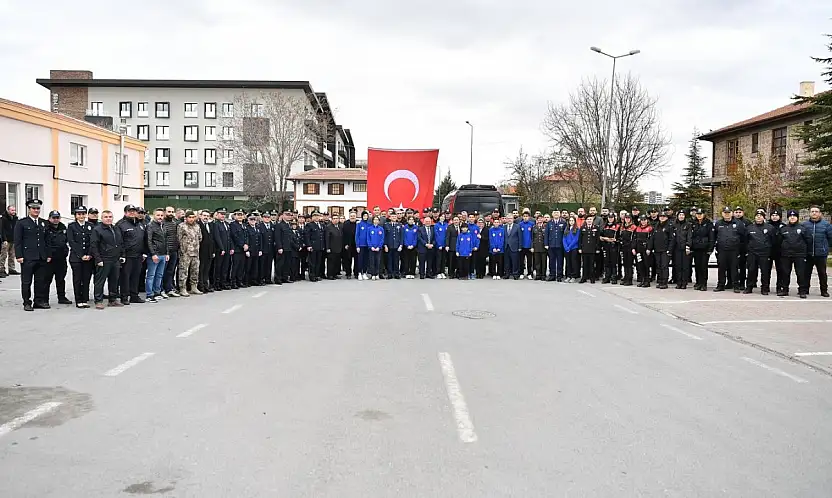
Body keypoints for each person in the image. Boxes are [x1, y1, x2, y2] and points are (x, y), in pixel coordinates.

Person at [14, 199, 50, 311]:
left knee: (40, 281)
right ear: (29, 209)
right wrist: (19, 255)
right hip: (28, 257)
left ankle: (38, 301)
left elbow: (47, 240)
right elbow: (18, 240)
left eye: (38, 208)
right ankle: (26, 302)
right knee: (26, 281)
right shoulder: (22, 223)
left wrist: (48, 255)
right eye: (33, 208)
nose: (36, 210)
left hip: (41, 257)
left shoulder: (44, 223)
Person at [90, 210, 125, 309]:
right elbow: (94, 245)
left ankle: (113, 300)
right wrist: (98, 259)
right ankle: (98, 301)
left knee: (114, 280)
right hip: (104, 259)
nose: (108, 218)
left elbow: (121, 243)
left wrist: (122, 255)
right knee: (100, 281)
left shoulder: (116, 228)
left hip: (115, 259)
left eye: (110, 216)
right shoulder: (97, 230)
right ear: (102, 218)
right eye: (106, 217)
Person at [116, 205, 145, 304]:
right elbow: (119, 242)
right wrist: (122, 255)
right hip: (127, 256)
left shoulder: (140, 224)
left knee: (136, 277)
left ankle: (134, 296)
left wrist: (144, 253)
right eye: (130, 211)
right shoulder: (121, 224)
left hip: (138, 255)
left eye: (134, 211)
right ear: (125, 213)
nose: (132, 213)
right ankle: (124, 297)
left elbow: (143, 239)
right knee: (125, 277)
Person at [713, 206, 746, 293]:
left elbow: (743, 237)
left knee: (734, 268)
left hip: (734, 250)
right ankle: (720, 285)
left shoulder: (738, 223)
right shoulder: (718, 223)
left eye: (728, 213)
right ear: (722, 214)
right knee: (721, 269)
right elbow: (714, 236)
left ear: (731, 213)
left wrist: (741, 250)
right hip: (722, 250)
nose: (727, 214)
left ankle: (736, 286)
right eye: (725, 213)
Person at [778, 209, 809, 298]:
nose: (792, 217)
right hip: (786, 255)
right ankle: (785, 290)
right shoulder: (783, 229)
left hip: (799, 255)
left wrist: (806, 254)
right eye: (790, 216)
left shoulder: (802, 228)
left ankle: (802, 291)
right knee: (785, 273)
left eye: (794, 216)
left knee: (800, 273)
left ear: (797, 218)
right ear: (788, 218)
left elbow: (808, 241)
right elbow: (779, 242)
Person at [802, 205, 831, 297]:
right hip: (808, 253)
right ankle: (805, 289)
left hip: (821, 254)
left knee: (822, 273)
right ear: (810, 213)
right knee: (806, 273)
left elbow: (830, 238)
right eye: (812, 211)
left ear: (820, 213)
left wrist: (825, 248)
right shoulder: (804, 225)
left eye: (816, 211)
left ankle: (824, 290)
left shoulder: (826, 225)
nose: (814, 213)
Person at [67, 206, 94, 308]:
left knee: (86, 278)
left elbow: (93, 241)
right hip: (76, 257)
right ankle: (78, 299)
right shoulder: (71, 226)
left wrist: (89, 254)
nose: (81, 216)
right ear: (76, 216)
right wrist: (81, 255)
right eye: (79, 214)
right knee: (77, 278)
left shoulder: (90, 225)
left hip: (88, 257)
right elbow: (72, 242)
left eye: (83, 214)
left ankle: (85, 299)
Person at [44, 210, 72, 305]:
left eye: (57, 218)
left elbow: (67, 241)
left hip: (61, 258)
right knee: (47, 280)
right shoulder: (45, 228)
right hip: (50, 259)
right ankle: (44, 299)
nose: (56, 220)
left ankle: (62, 297)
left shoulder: (63, 228)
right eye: (54, 218)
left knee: (61, 279)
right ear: (49, 218)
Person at [744, 209, 774, 295]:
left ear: (764, 217)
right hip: (752, 253)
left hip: (764, 253)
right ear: (754, 217)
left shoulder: (769, 228)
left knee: (765, 272)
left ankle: (764, 288)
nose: (758, 217)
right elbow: (746, 240)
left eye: (760, 216)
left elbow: (773, 241)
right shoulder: (749, 228)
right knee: (751, 270)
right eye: (757, 216)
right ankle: (749, 287)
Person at [177, 210, 203, 296]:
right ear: (186, 218)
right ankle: (182, 288)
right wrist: (183, 249)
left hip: (196, 252)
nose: (191, 219)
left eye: (193, 217)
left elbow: (200, 238)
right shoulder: (181, 226)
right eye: (190, 217)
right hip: (185, 253)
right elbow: (179, 239)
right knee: (184, 271)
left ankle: (194, 287)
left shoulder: (197, 226)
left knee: (195, 271)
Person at [144, 208, 168, 303]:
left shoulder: (163, 225)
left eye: (161, 215)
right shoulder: (150, 226)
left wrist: (167, 253)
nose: (160, 217)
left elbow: (165, 240)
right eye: (158, 215)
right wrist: (153, 254)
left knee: (159, 275)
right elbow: (148, 241)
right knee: (151, 275)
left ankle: (157, 292)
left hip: (163, 254)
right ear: (153, 215)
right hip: (155, 255)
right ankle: (149, 295)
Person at [690, 208, 714, 291]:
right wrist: (691, 247)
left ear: (704, 214)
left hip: (705, 248)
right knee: (697, 266)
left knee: (703, 266)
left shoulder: (708, 223)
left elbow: (711, 237)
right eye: (698, 214)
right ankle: (698, 282)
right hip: (696, 248)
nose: (699, 215)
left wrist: (710, 248)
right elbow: (691, 236)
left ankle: (704, 283)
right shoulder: (693, 223)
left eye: (701, 214)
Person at [649, 210, 673, 289]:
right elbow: (652, 238)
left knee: (664, 266)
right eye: (661, 216)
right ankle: (660, 281)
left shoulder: (669, 226)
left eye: (664, 216)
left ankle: (664, 282)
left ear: (666, 217)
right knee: (658, 266)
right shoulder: (656, 225)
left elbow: (671, 239)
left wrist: (669, 249)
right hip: (657, 249)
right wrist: (650, 248)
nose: (662, 218)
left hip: (665, 250)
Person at [161, 206, 181, 296]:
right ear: (165, 212)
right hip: (165, 251)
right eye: (169, 211)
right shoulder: (162, 223)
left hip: (174, 251)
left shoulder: (175, 223)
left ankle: (169, 289)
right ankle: (161, 290)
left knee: (170, 271)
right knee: (162, 272)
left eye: (172, 212)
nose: (171, 213)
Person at [670, 211, 692, 289]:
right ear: (677, 216)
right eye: (680, 215)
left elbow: (689, 236)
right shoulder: (674, 225)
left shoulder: (688, 225)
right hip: (677, 249)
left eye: (683, 215)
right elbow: (672, 238)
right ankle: (679, 282)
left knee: (685, 267)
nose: (681, 216)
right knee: (678, 266)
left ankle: (684, 283)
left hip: (685, 249)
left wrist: (688, 245)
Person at [212, 208, 232, 290]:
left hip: (227, 249)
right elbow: (217, 237)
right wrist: (222, 248)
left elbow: (229, 237)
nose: (223, 215)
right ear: (217, 214)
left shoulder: (226, 224)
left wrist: (231, 248)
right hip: (220, 249)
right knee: (218, 267)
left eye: (224, 214)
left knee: (225, 267)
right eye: (221, 214)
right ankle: (217, 284)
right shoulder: (216, 224)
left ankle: (223, 283)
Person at [733, 206, 752, 290]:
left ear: (743, 213)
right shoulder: (731, 221)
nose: (738, 214)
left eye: (739, 212)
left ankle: (742, 283)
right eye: (736, 212)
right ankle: (731, 282)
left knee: (742, 267)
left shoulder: (747, 222)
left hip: (743, 248)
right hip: (733, 247)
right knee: (732, 266)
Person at [230, 209, 249, 288]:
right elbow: (235, 236)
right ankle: (233, 282)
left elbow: (246, 236)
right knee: (235, 266)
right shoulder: (233, 225)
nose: (240, 216)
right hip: (237, 249)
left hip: (243, 249)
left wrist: (246, 244)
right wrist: (242, 245)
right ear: (234, 216)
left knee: (241, 266)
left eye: (241, 215)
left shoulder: (244, 225)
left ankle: (239, 281)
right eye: (238, 215)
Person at [545, 210, 566, 282]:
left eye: (557, 213)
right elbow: (546, 234)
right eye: (554, 213)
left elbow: (565, 234)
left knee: (560, 261)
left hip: (560, 245)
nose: (556, 214)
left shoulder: (563, 222)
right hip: (551, 245)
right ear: (552, 214)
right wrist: (546, 244)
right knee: (551, 261)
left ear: (560, 214)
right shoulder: (549, 223)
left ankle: (559, 275)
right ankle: (552, 275)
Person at [767, 209, 785, 295]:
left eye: (776, 215)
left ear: (780, 217)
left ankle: (779, 288)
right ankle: (766, 287)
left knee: (780, 271)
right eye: (773, 215)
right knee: (766, 270)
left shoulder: (783, 226)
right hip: (768, 251)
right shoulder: (767, 225)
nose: (774, 217)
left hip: (780, 252)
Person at [578, 215, 600, 284]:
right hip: (584, 249)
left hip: (592, 249)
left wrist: (597, 248)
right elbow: (580, 239)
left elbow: (597, 239)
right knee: (584, 264)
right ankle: (584, 277)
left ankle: (592, 278)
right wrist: (580, 248)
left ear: (592, 220)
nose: (589, 220)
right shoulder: (582, 228)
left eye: (590, 219)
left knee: (592, 264)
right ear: (586, 220)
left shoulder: (596, 228)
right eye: (588, 219)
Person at [198, 210, 216, 291]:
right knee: (201, 269)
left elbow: (212, 239)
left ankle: (206, 285)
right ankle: (201, 286)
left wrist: (213, 251)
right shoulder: (198, 225)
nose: (206, 217)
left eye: (207, 216)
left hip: (209, 251)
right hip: (201, 251)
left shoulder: (210, 225)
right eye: (204, 215)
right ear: (200, 216)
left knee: (206, 269)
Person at [600, 213, 620, 284]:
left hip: (613, 246)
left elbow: (618, 238)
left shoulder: (617, 226)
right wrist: (605, 238)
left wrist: (613, 240)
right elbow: (600, 236)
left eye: (612, 217)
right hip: (606, 246)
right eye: (609, 217)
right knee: (606, 262)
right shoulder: (605, 226)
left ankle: (614, 277)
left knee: (613, 262)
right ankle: (607, 277)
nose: (610, 218)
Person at [633, 215, 653, 287]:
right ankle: (642, 280)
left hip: (646, 250)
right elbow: (634, 239)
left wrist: (649, 248)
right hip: (639, 250)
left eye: (645, 220)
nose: (643, 221)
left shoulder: (650, 229)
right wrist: (633, 248)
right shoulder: (637, 228)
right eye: (642, 220)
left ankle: (647, 281)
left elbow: (651, 240)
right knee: (640, 265)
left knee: (646, 265)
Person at [383, 212, 403, 280]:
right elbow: (385, 236)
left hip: (397, 245)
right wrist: (385, 245)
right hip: (389, 246)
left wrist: (401, 245)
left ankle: (396, 273)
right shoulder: (386, 225)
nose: (394, 218)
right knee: (389, 260)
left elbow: (401, 236)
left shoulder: (400, 225)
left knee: (396, 260)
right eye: (392, 216)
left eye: (395, 216)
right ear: (390, 217)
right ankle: (390, 274)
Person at [245, 212, 263, 286]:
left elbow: (260, 240)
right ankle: (247, 281)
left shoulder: (257, 228)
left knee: (255, 266)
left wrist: (260, 250)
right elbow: (246, 239)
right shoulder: (246, 228)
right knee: (248, 266)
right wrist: (247, 250)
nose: (253, 221)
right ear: (248, 220)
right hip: (250, 250)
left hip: (256, 250)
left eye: (254, 219)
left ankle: (253, 280)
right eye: (251, 219)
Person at [0, 204, 18, 277]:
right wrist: (4, 239)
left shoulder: (15, 218)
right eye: (12, 210)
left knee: (12, 255)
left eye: (14, 210)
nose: (13, 211)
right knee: (3, 255)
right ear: (8, 210)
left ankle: (11, 268)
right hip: (5, 239)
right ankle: (1, 270)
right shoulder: (3, 218)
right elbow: (1, 229)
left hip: (13, 239)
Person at [618, 213, 635, 286]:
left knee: (629, 263)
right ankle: (625, 277)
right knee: (625, 263)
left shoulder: (633, 227)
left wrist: (633, 247)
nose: (627, 219)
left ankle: (629, 279)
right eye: (626, 218)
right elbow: (620, 236)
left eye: (628, 218)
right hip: (624, 247)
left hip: (630, 247)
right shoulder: (622, 227)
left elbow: (634, 238)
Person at [325, 214, 343, 280]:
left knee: (337, 262)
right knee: (331, 262)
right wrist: (328, 248)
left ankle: (335, 274)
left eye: (337, 218)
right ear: (331, 219)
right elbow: (327, 238)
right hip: (331, 248)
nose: (335, 220)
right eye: (334, 218)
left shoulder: (340, 227)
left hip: (339, 248)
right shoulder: (329, 227)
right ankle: (330, 275)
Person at [366, 216, 385, 280]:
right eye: (375, 219)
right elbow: (368, 238)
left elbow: (382, 239)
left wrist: (379, 247)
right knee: (372, 261)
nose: (376, 221)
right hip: (371, 248)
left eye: (377, 220)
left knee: (378, 261)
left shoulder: (381, 229)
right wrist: (371, 246)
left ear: (379, 221)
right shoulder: (369, 228)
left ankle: (377, 274)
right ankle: (373, 274)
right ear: (373, 221)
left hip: (378, 248)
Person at [563, 217, 580, 283]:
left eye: (572, 220)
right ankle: (568, 276)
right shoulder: (566, 229)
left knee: (573, 262)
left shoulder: (577, 229)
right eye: (570, 220)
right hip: (567, 249)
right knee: (568, 262)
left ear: (575, 221)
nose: (571, 222)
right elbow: (564, 238)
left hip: (573, 248)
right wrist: (566, 247)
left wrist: (569, 247)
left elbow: (576, 239)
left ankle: (573, 276)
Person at [504, 215, 521, 280]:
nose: (509, 220)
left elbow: (520, 237)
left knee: (515, 261)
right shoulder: (504, 227)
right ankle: (507, 274)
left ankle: (515, 274)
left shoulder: (517, 226)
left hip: (514, 247)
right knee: (507, 262)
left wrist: (520, 246)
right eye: (508, 218)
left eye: (510, 218)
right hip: (506, 246)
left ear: (513, 219)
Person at [341, 210, 358, 279]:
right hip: (348, 244)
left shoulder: (358, 223)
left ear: (356, 216)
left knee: (357, 260)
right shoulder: (345, 223)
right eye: (351, 216)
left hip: (356, 244)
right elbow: (343, 235)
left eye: (354, 216)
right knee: (348, 260)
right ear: (349, 216)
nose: (352, 217)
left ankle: (356, 273)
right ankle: (348, 273)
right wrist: (345, 244)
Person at [518, 212, 534, 278]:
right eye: (524, 216)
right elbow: (518, 236)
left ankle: (529, 273)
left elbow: (533, 236)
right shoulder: (520, 224)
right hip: (522, 246)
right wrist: (519, 246)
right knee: (521, 261)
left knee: (529, 261)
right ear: (522, 217)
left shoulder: (532, 224)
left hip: (529, 246)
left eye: (526, 216)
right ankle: (521, 273)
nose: (525, 217)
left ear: (529, 217)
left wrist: (532, 246)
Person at [355, 211, 370, 280]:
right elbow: (357, 235)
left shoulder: (369, 224)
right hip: (361, 245)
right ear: (362, 216)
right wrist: (357, 245)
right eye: (364, 216)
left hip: (368, 245)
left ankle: (364, 272)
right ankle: (359, 273)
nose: (365, 217)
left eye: (366, 216)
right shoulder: (359, 224)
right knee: (360, 259)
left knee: (366, 260)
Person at [532, 215, 547, 281]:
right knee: (537, 262)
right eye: (538, 219)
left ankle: (543, 275)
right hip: (536, 247)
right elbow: (532, 238)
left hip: (543, 247)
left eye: (541, 219)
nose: (540, 220)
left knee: (543, 262)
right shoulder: (534, 227)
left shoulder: (545, 227)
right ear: (537, 220)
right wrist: (532, 247)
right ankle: (538, 275)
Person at [434, 213, 448, 278]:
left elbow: (447, 236)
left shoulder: (446, 225)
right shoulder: (436, 225)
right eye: (441, 216)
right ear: (439, 217)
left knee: (443, 259)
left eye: (444, 217)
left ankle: (442, 272)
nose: (443, 218)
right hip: (439, 245)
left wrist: (446, 245)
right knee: (438, 259)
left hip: (445, 245)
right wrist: (439, 244)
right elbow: (436, 236)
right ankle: (438, 272)